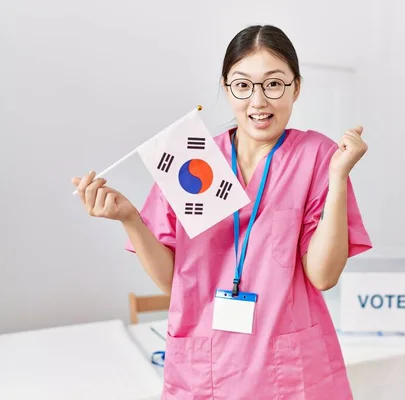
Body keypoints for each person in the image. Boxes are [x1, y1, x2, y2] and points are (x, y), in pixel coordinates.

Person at [72, 24, 372, 399]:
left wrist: (339, 178)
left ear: (296, 87)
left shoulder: (319, 157)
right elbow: (174, 282)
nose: (258, 102)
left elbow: (323, 275)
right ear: (227, 88)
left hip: (290, 370)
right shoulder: (192, 159)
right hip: (205, 364)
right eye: (243, 85)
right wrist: (130, 218)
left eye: (274, 84)